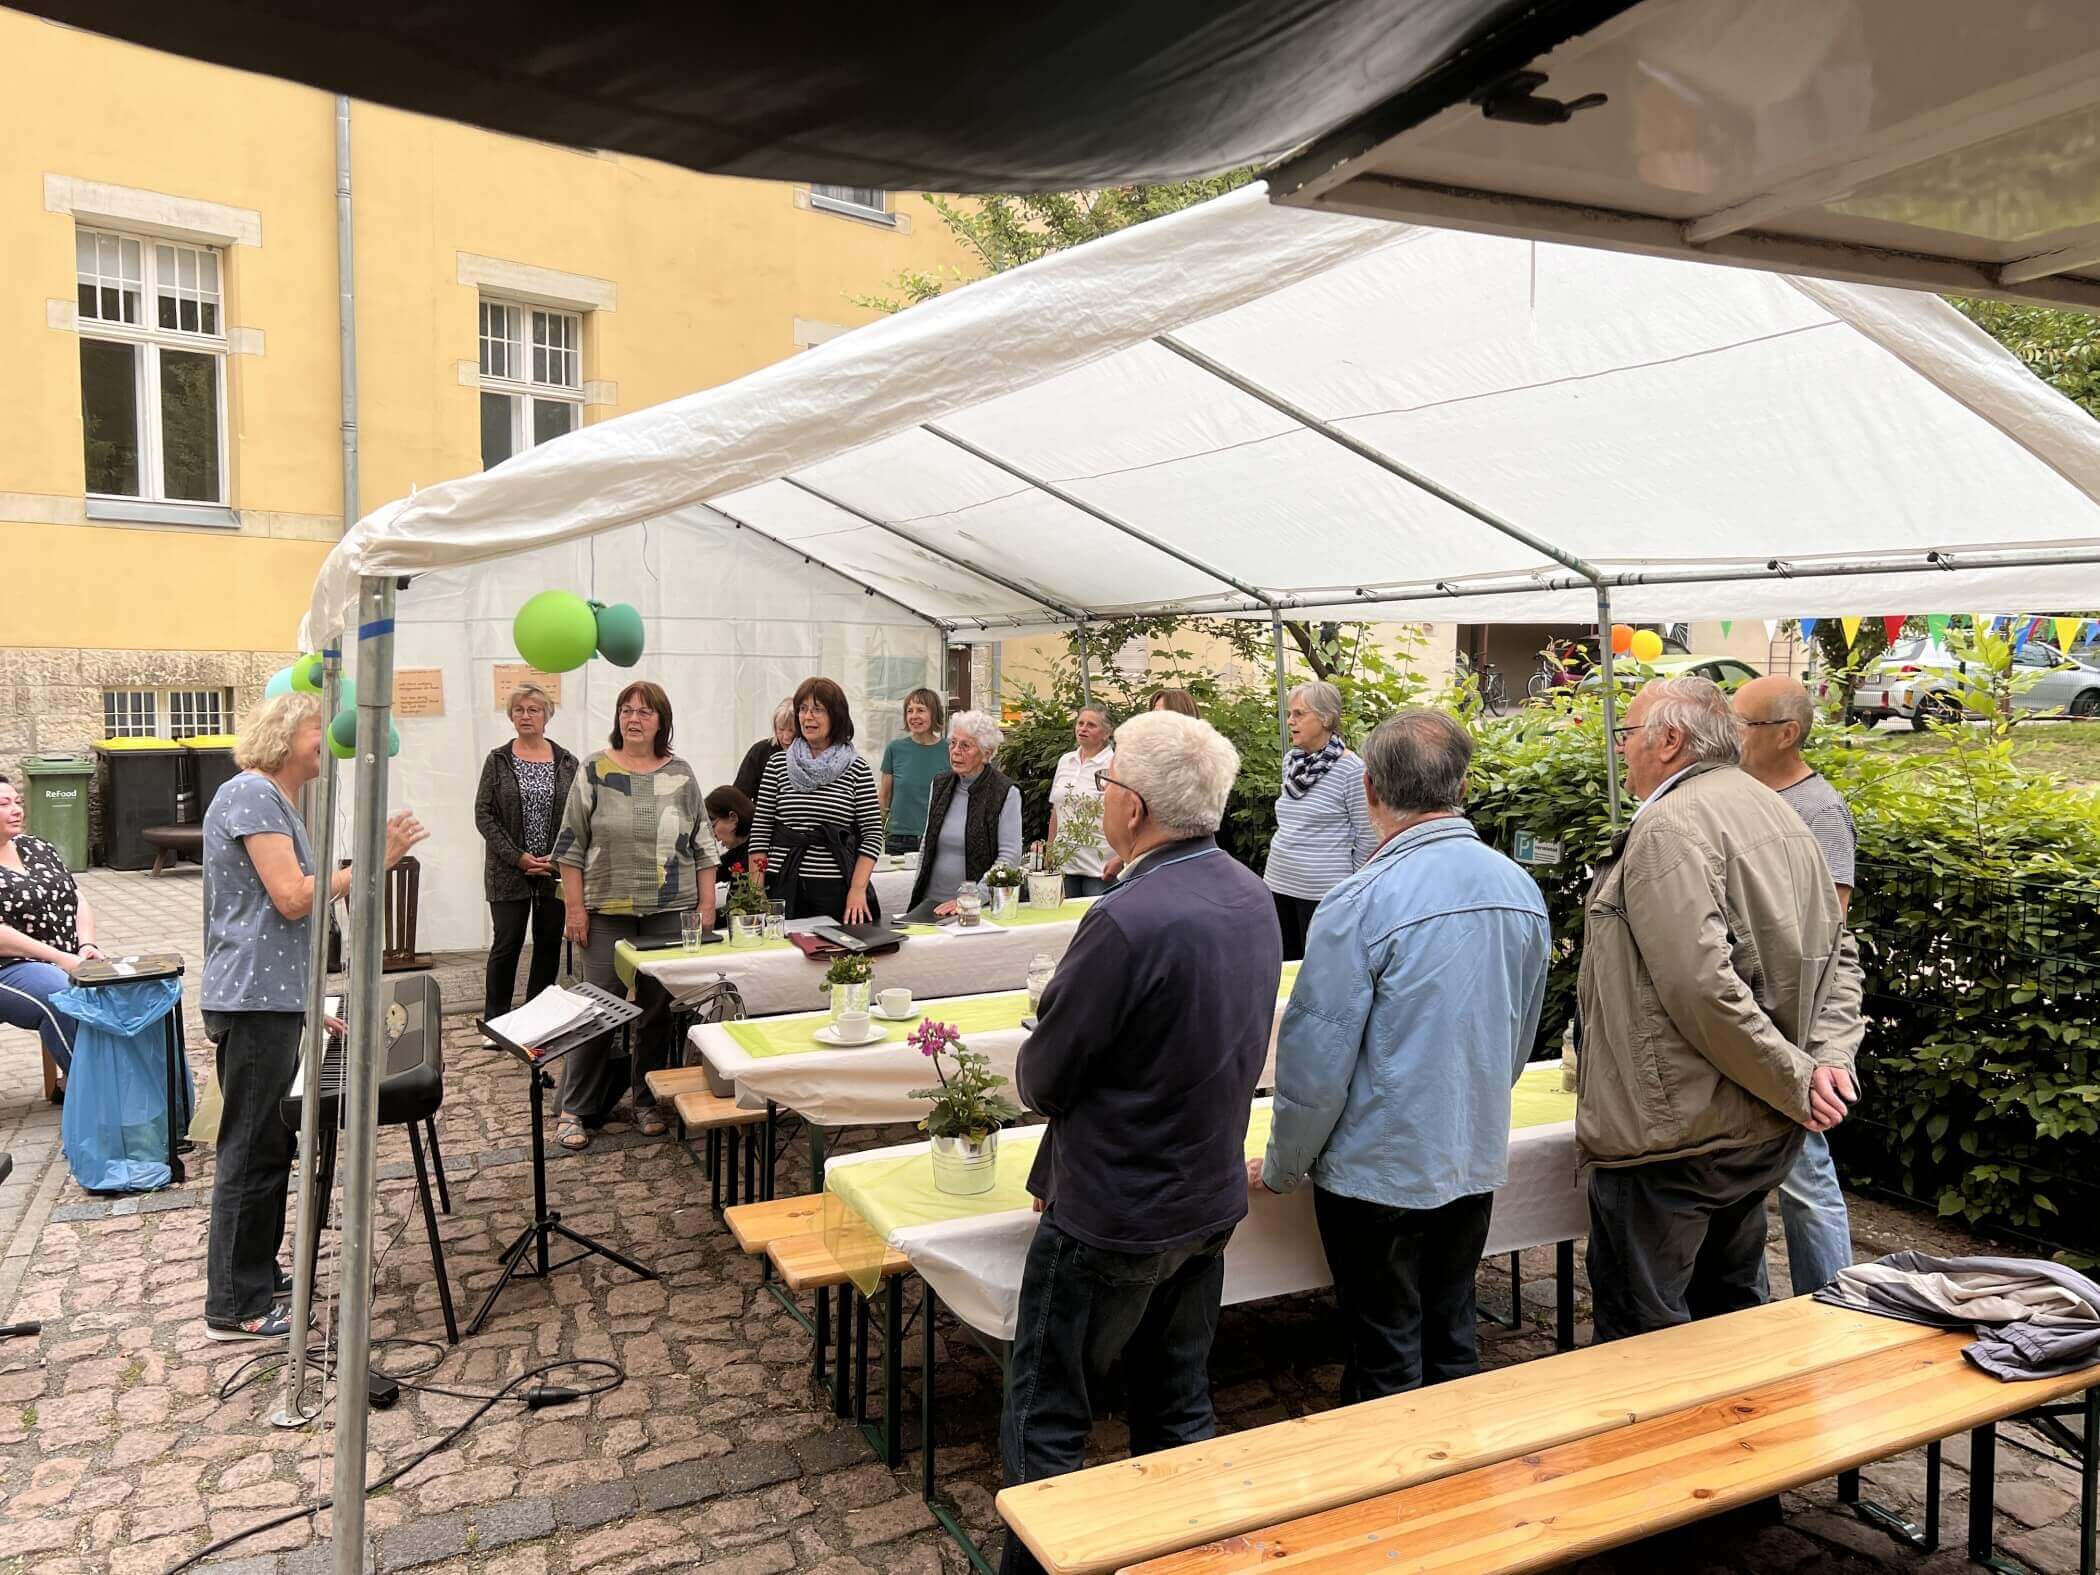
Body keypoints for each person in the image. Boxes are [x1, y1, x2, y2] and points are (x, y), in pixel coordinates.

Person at [1001, 711, 1281, 1575]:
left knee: (1050, 1416)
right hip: (1205, 1197)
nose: (1101, 793)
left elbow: (1044, 1077)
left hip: (1115, 1208)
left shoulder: (1125, 916)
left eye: (1108, 778)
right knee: (1176, 1404)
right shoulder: (1251, 894)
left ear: (1135, 806)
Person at [1257, 711, 1550, 1400]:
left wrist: (1283, 1166)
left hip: (1377, 1171)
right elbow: (1516, 1038)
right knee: (1451, 1333)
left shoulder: (1359, 899)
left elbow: (1315, 1065)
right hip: (1468, 1151)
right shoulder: (1518, 886)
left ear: (1369, 789)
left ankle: (1401, 1469)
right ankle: (1458, 1462)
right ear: (1463, 786)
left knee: (1386, 1351)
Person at [1579, 676, 1861, 1342]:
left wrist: (1803, 1075)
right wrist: (1821, 1061)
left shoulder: (1669, 826)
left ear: (1669, 740)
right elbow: (1840, 956)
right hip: (1750, 1130)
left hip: (1676, 1137)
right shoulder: (1777, 810)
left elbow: (1701, 988)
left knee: (1645, 1340)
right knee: (1729, 1323)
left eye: (1626, 734)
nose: (1621, 750)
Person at [203, 693, 424, 1340]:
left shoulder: (278, 799)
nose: (327, 741)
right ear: (284, 735)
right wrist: (370, 864)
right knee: (251, 1149)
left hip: (271, 998)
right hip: (253, 1001)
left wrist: (306, 1003)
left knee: (272, 1144)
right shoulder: (252, 794)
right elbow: (293, 898)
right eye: (315, 730)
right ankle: (234, 1304)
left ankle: (257, 1274)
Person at [1733, 674, 1862, 1295]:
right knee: (1743, 1183)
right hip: (1746, 1014)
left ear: (1786, 734)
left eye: (1743, 724)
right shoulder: (1736, 792)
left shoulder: (1820, 809)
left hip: (1793, 1026)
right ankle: (1750, 1309)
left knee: (1805, 1176)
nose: (1731, 734)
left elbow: (1828, 927)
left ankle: (1836, 1306)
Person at [553, 680, 717, 1151]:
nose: (634, 718)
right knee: (598, 1008)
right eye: (627, 709)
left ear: (662, 721)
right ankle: (574, 1107)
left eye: (645, 711)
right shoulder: (594, 770)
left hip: (670, 912)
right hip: (607, 912)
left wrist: (707, 906)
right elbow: (570, 845)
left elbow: (703, 845)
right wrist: (575, 908)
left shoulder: (681, 774)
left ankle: (647, 1101)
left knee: (655, 1013)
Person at [474, 683, 579, 1027]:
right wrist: (516, 856)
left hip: (553, 870)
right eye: (518, 710)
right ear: (511, 716)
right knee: (507, 943)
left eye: (533, 709)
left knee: (548, 945)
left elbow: (578, 817)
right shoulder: (498, 760)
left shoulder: (567, 762)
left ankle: (537, 1021)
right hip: (507, 871)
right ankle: (496, 1022)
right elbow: (483, 814)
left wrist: (556, 858)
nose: (526, 716)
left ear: (547, 716)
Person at [750, 677, 884, 924]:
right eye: (803, 709)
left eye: (817, 709)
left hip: (836, 888)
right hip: (781, 884)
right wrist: (756, 892)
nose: (807, 717)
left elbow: (873, 834)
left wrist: (857, 889)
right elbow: (761, 831)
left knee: (835, 947)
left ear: (836, 716)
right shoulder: (777, 765)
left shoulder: (857, 768)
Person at [1264, 680, 1377, 961]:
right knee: (1282, 966)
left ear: (1326, 718)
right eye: (1289, 714)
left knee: (1320, 969)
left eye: (1299, 714)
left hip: (1323, 894)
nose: (1290, 721)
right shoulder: (1292, 761)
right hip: (1278, 882)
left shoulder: (1352, 770)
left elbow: (1367, 836)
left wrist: (1349, 888)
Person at [0, 775, 102, 1075]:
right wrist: (59, 958)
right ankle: (94, 1089)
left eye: (18, 801)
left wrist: (86, 945)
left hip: (66, 957)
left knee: (122, 991)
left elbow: (76, 897)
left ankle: (133, 1082)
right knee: (62, 998)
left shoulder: (37, 846)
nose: (16, 810)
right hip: (9, 965)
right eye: (4, 804)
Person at [903, 710, 1022, 920]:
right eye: (953, 743)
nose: (956, 751)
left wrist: (973, 897)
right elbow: (927, 844)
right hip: (930, 904)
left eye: (965, 746)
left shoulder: (1005, 792)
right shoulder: (940, 783)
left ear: (986, 753)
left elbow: (1009, 858)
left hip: (977, 908)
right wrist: (917, 891)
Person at [1042, 705, 1115, 897]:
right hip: (1064, 862)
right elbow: (1056, 809)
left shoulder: (1115, 764)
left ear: (1107, 732)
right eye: (1080, 723)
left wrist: (1120, 859)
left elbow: (1122, 815)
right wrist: (1050, 849)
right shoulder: (1066, 761)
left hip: (1099, 866)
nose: (1083, 728)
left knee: (1095, 915)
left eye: (1091, 725)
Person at [878, 687, 947, 855]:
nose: (914, 716)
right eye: (910, 711)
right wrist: (878, 833)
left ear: (934, 714)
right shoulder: (895, 749)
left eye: (921, 710)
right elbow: (884, 796)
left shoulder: (950, 750)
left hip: (938, 838)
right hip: (898, 840)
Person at [733, 699, 796, 802]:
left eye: (791, 730)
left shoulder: (811, 753)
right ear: (774, 728)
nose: (786, 737)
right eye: (781, 730)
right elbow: (739, 794)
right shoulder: (760, 751)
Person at [706, 784, 754, 880]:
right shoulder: (738, 851)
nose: (713, 835)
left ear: (733, 818)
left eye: (713, 826)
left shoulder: (759, 849)